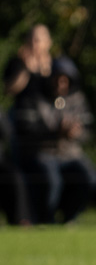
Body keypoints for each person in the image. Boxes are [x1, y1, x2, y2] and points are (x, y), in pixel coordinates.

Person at [13, 57, 96, 224]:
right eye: (58, 78)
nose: (61, 84)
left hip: (70, 154)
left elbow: (89, 130)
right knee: (52, 180)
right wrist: (54, 133)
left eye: (66, 80)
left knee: (90, 177)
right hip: (41, 152)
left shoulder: (77, 99)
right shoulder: (33, 96)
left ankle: (69, 218)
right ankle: (46, 220)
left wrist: (77, 132)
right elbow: (23, 129)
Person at [3, 24, 53, 225]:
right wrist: (26, 68)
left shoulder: (55, 66)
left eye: (39, 39)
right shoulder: (17, 64)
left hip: (48, 131)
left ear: (48, 43)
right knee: (20, 175)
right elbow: (10, 89)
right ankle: (26, 217)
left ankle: (45, 217)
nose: (35, 43)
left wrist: (46, 70)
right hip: (21, 130)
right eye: (32, 38)